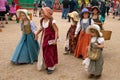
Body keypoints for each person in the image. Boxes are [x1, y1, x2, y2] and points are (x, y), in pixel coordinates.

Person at [36, 7, 58, 74]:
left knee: (49, 52)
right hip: (44, 38)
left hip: (50, 39)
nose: (41, 14)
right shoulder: (42, 20)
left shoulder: (52, 21)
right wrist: (36, 34)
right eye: (41, 13)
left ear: (47, 14)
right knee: (44, 51)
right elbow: (41, 29)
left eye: (43, 13)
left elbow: (56, 30)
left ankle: (51, 67)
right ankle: (46, 64)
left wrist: (55, 40)